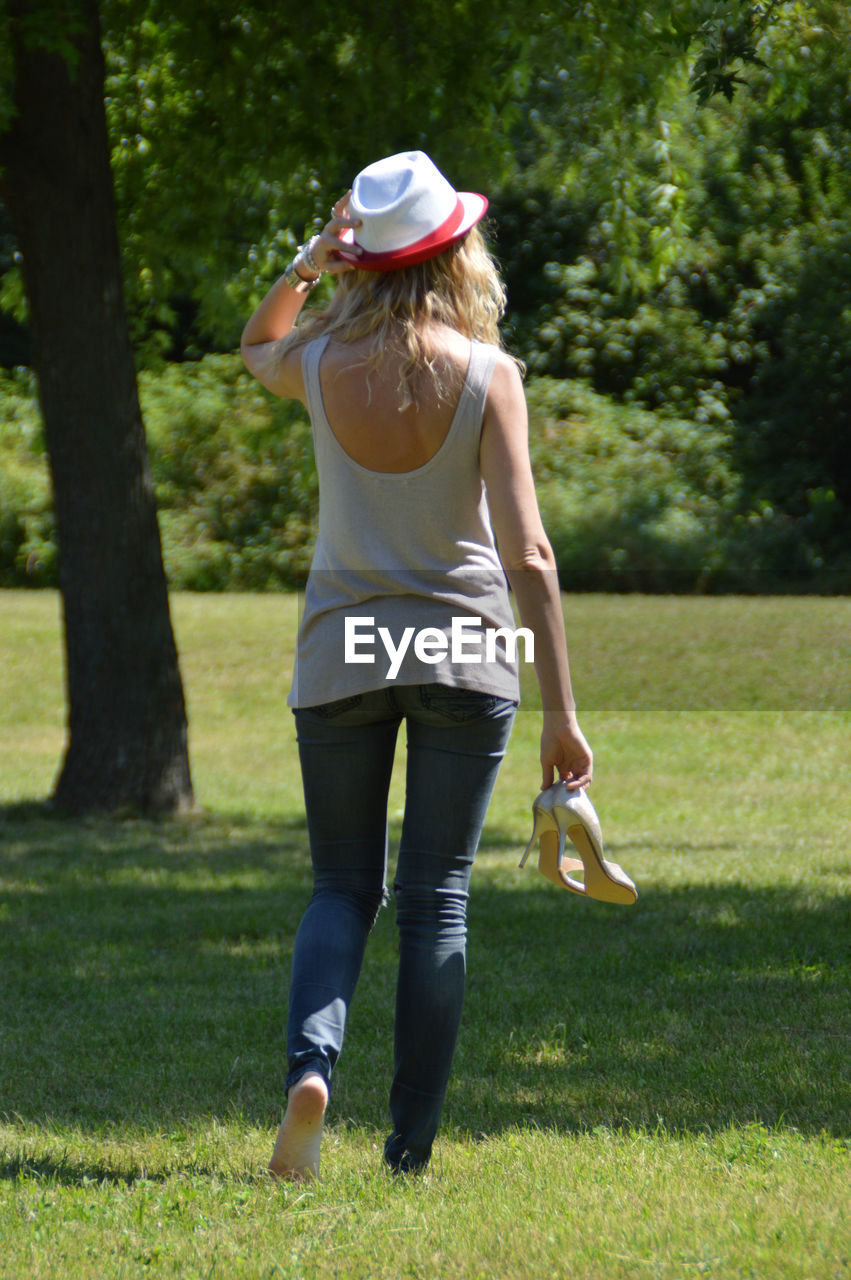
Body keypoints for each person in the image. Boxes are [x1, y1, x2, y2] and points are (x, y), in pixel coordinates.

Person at [240, 151, 593, 1179]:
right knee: (437, 896)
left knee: (341, 883)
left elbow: (253, 340)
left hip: (341, 650)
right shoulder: (488, 373)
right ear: (456, 251)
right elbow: (527, 551)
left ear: (365, 257)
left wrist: (311, 262)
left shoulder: (314, 360)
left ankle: (312, 1065)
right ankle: (407, 1146)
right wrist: (561, 712)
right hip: (462, 651)